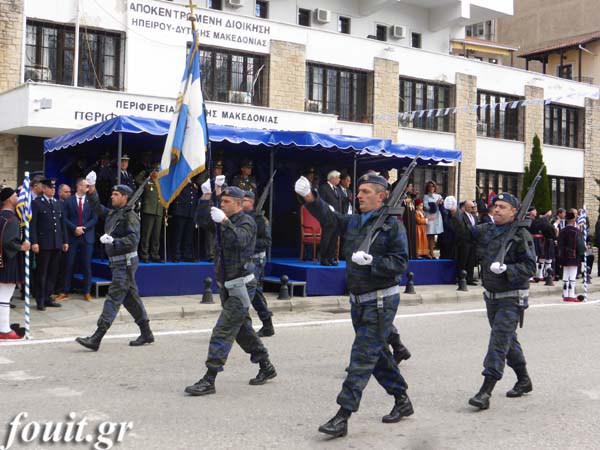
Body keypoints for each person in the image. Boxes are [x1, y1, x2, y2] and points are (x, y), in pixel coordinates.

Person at [295, 173, 411, 438]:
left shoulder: (393, 227)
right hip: (359, 301)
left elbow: (400, 264)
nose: (359, 195)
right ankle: (402, 399)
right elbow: (330, 218)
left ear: (382, 197)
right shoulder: (357, 222)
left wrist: (373, 263)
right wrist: (310, 197)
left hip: (381, 301)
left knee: (361, 358)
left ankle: (342, 416)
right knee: (378, 355)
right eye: (358, 191)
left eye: (366, 192)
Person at [185, 184, 276, 396]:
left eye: (226, 202)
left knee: (223, 330)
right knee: (242, 331)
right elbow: (200, 220)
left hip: (241, 285)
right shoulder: (220, 221)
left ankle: (210, 378)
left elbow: (240, 241)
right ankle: (266, 365)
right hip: (227, 285)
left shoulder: (247, 221)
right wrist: (206, 197)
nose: (222, 204)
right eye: (222, 201)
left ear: (237, 204)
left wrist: (224, 222)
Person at [467, 193, 536, 410]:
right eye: (495, 206)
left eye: (502, 207)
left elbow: (530, 268)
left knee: (498, 341)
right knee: (508, 341)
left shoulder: (520, 235)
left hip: (511, 298)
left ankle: (485, 390)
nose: (496, 210)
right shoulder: (487, 230)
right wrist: (455, 212)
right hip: (492, 297)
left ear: (514, 212)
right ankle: (524, 380)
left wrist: (508, 269)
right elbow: (464, 234)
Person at [75, 174, 154, 351]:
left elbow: (134, 240)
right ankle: (146, 332)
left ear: (125, 198)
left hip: (125, 263)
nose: (112, 196)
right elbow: (98, 208)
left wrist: (114, 242)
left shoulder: (130, 216)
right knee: (130, 298)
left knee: (114, 297)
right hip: (118, 263)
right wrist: (92, 189)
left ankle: (97, 336)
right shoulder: (115, 213)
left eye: (116, 195)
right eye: (112, 194)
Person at [56, 178, 98, 302]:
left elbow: (94, 218)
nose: (88, 188)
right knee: (69, 264)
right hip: (72, 236)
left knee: (86, 265)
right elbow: (65, 218)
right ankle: (65, 291)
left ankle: (87, 291)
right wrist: (74, 228)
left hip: (87, 236)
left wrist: (84, 228)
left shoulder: (91, 201)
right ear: (79, 186)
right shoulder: (69, 201)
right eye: (86, 186)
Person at [30, 179, 68, 311]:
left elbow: (62, 224)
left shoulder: (57, 203)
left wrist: (65, 241)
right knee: (42, 272)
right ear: (44, 189)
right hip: (43, 243)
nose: (52, 190)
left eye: (54, 188)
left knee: (53, 272)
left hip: (56, 243)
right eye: (50, 188)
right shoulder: (37, 203)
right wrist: (34, 242)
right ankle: (40, 299)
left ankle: (47, 297)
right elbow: (33, 224)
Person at [242, 191, 275, 337]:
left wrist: (250, 244)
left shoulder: (261, 220)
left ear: (251, 202)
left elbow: (267, 241)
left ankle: (240, 327)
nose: (242, 202)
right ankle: (267, 324)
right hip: (243, 259)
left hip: (256, 259)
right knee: (254, 292)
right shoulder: (240, 218)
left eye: (245, 199)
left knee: (246, 292)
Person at [0, 187, 30, 340]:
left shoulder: (2, 216)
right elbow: (8, 242)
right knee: (4, 297)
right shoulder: (11, 219)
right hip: (7, 262)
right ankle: (4, 330)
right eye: (15, 195)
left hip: (2, 261)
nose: (18, 197)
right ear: (10, 199)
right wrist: (22, 247)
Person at [558, 211, 585, 302]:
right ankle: (571, 294)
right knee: (573, 275)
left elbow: (559, 244)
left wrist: (560, 255)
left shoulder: (562, 231)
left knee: (565, 274)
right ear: (573, 219)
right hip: (574, 254)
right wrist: (582, 251)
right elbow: (580, 244)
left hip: (564, 255)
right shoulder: (576, 231)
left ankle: (565, 294)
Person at [169, 180, 199, 262]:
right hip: (180, 211)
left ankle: (187, 254)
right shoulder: (180, 181)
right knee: (178, 235)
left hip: (190, 212)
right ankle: (176, 255)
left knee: (188, 236)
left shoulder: (193, 184)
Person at [139, 168, 164, 263]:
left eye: (158, 171)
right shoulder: (147, 182)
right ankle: (144, 255)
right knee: (146, 234)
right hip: (149, 210)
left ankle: (155, 254)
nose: (157, 173)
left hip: (159, 211)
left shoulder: (161, 184)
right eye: (155, 171)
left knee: (156, 235)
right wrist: (145, 171)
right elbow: (138, 180)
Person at [318, 170, 343, 266]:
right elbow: (321, 202)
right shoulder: (324, 188)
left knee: (334, 239)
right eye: (338, 178)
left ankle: (331, 258)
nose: (339, 180)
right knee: (326, 238)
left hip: (337, 217)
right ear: (332, 178)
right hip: (327, 218)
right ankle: (323, 258)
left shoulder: (337, 189)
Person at [452, 200, 478, 284]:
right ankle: (461, 278)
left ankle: (469, 278)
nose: (473, 209)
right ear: (466, 207)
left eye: (474, 207)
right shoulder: (461, 216)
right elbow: (461, 229)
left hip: (473, 242)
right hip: (465, 242)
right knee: (463, 260)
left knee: (471, 261)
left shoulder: (473, 217)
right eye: (471, 207)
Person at [423, 180, 443, 259]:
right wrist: (435, 204)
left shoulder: (438, 196)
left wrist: (441, 203)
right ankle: (428, 251)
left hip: (437, 217)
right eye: (429, 186)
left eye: (433, 186)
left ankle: (432, 251)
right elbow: (426, 207)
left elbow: (442, 205)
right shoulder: (426, 196)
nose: (431, 188)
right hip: (430, 216)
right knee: (429, 234)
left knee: (434, 235)